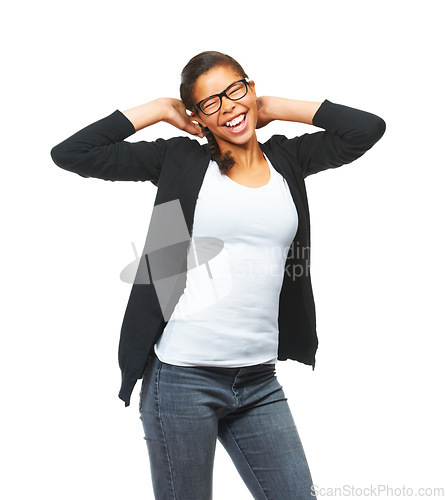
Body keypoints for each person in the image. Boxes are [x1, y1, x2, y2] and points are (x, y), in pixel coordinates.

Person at [50, 50, 386, 499]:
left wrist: (272, 106)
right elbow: (71, 153)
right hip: (183, 379)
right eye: (211, 103)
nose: (228, 107)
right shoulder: (180, 161)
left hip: (258, 381)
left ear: (250, 86)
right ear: (197, 116)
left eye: (235, 91)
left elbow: (367, 128)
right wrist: (158, 110)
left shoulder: (289, 160)